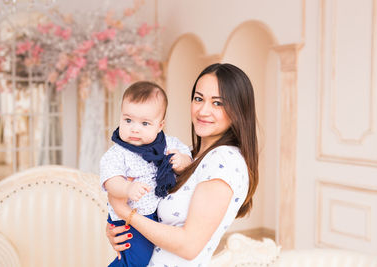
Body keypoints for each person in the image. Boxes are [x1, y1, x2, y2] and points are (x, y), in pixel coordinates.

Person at [106, 63, 259, 267]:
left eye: (217, 103)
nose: (203, 110)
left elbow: (189, 246)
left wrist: (127, 214)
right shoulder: (189, 156)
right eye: (198, 99)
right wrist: (122, 231)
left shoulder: (224, 161)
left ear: (238, 110)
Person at [100, 81, 192, 267]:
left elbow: (189, 160)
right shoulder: (118, 153)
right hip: (130, 218)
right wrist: (127, 187)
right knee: (136, 262)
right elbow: (111, 181)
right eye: (128, 120)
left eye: (144, 123)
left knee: (147, 259)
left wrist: (181, 161)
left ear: (160, 125)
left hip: (153, 217)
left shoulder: (168, 143)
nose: (135, 128)